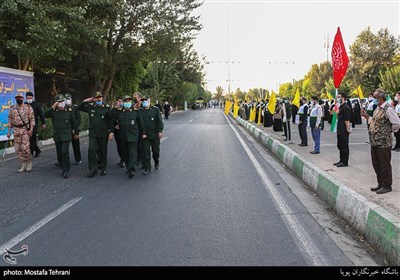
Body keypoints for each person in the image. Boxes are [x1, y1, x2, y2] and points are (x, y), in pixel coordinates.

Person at [361, 89, 400, 194]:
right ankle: (380, 183)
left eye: (374, 97)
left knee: (384, 164)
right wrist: (366, 116)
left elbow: (397, 123)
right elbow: (374, 121)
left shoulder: (388, 109)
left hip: (383, 142)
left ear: (380, 98)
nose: (373, 98)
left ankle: (387, 185)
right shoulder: (378, 108)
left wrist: (389, 131)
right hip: (374, 141)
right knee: (376, 163)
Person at [79, 91, 114, 177]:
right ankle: (92, 169)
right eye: (97, 98)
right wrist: (85, 101)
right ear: (94, 99)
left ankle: (103, 168)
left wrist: (111, 132)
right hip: (93, 133)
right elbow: (79, 108)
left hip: (103, 133)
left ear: (102, 98)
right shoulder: (90, 107)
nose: (99, 99)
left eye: (100, 97)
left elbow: (110, 121)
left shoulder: (106, 107)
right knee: (91, 150)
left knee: (103, 151)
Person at [45, 94, 79, 178]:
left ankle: (66, 170)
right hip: (57, 135)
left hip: (67, 135)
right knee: (59, 152)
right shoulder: (53, 111)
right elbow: (44, 114)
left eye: (62, 101)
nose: (61, 103)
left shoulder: (69, 111)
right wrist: (52, 107)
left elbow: (74, 122)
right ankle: (61, 164)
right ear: (56, 103)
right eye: (59, 102)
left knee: (64, 151)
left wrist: (77, 133)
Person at [112, 95, 146, 178]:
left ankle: (131, 169)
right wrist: (115, 108)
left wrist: (144, 132)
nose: (127, 103)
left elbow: (141, 123)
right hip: (123, 135)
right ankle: (129, 167)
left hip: (133, 135)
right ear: (123, 103)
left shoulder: (135, 111)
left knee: (133, 153)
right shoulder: (119, 111)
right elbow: (110, 115)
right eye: (125, 101)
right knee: (125, 153)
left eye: (129, 101)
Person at [7, 93, 35, 172]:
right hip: (16, 130)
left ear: (23, 98)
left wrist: (31, 130)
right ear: (16, 99)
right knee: (18, 149)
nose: (19, 99)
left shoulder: (28, 108)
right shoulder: (12, 109)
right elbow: (10, 120)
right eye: (17, 98)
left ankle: (29, 162)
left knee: (25, 148)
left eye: (20, 97)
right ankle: (23, 164)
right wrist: (9, 132)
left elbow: (32, 120)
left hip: (25, 130)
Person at [141, 95, 164, 175]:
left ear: (149, 100)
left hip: (154, 135)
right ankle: (147, 168)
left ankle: (156, 161)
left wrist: (160, 131)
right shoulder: (140, 111)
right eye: (143, 100)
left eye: (146, 100)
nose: (144, 102)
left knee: (155, 151)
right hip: (145, 136)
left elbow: (159, 122)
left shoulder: (155, 110)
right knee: (146, 153)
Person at [25, 92, 46, 158]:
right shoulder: (24, 105)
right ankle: (37, 150)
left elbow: (41, 114)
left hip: (34, 125)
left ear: (32, 98)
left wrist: (43, 123)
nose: (29, 99)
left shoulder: (36, 105)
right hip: (26, 125)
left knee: (32, 139)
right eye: (28, 98)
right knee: (29, 139)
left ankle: (30, 154)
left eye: (30, 98)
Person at [334, 92, 352, 167]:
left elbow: (347, 119)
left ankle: (345, 161)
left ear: (343, 98)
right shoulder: (341, 107)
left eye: (339, 97)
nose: (337, 99)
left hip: (344, 129)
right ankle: (341, 159)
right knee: (340, 145)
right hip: (340, 128)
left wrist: (348, 128)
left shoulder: (345, 107)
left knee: (344, 145)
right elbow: (337, 116)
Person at [64, 93, 82, 165]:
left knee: (76, 146)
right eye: (66, 99)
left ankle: (78, 159)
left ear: (71, 99)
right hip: (66, 130)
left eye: (68, 99)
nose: (67, 101)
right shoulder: (63, 108)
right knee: (64, 147)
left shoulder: (75, 107)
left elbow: (78, 119)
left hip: (74, 130)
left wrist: (75, 129)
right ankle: (63, 160)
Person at [111, 96, 125, 167]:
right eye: (119, 101)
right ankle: (122, 158)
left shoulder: (125, 109)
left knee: (124, 146)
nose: (120, 103)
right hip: (117, 131)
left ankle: (125, 159)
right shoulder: (115, 110)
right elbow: (110, 117)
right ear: (117, 102)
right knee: (119, 146)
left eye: (122, 101)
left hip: (124, 131)